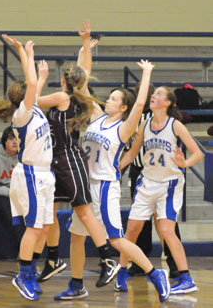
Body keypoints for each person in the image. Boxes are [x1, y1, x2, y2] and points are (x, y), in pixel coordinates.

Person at [54, 45, 172, 303]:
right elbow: (81, 81)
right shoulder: (96, 117)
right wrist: (85, 46)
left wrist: (147, 74)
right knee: (75, 236)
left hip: (105, 187)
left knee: (116, 239)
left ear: (123, 107)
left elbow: (141, 103)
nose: (108, 100)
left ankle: (155, 274)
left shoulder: (124, 127)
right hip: (85, 185)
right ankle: (76, 285)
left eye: (114, 99)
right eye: (109, 97)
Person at [33, 20, 120, 290]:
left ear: (63, 81)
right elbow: (84, 72)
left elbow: (32, 101)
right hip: (56, 161)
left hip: (69, 159)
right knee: (52, 211)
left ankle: (107, 260)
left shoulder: (63, 95)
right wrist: (85, 44)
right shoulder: (77, 96)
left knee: (83, 211)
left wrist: (40, 79)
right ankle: (52, 259)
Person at [119, 86, 204, 294]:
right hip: (147, 181)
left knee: (166, 230)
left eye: (158, 94)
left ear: (167, 102)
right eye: (153, 93)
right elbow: (132, 152)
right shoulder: (145, 124)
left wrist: (184, 163)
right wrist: (116, 168)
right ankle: (121, 273)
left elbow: (198, 153)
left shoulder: (175, 125)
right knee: (131, 230)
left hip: (169, 184)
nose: (153, 96)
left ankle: (186, 278)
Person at [0, 39, 55, 302]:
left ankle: (32, 270)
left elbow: (32, 86)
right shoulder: (22, 115)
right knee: (35, 228)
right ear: (24, 98)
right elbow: (30, 84)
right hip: (30, 175)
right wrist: (25, 53)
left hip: (45, 174)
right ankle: (23, 274)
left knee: (46, 227)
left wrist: (38, 71)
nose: (35, 88)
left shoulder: (35, 106)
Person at [121, 83, 181, 279]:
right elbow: (128, 148)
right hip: (138, 170)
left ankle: (174, 263)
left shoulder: (160, 119)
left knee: (164, 222)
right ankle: (140, 262)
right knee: (139, 220)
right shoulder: (132, 117)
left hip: (161, 172)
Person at [0, 126, 25, 251]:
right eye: (11, 139)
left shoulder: (23, 157)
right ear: (4, 141)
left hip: (19, 194)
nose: (14, 142)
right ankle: (25, 247)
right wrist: (12, 193)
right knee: (10, 209)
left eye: (16, 139)